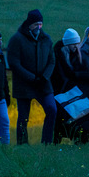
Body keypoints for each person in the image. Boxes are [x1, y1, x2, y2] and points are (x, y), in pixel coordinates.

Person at [7, 9, 56, 145]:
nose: (39, 27)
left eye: (40, 24)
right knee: (23, 117)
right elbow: (14, 63)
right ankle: (22, 145)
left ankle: (46, 143)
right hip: (24, 85)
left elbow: (52, 60)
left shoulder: (46, 39)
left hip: (43, 84)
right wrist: (31, 77)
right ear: (29, 24)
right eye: (36, 24)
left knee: (52, 109)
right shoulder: (17, 39)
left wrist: (44, 77)